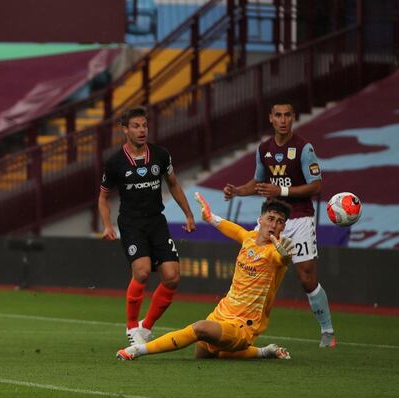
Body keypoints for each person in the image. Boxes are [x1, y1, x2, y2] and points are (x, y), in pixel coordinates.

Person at [117, 193, 292, 361]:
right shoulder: (249, 238)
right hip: (221, 313)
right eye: (270, 219)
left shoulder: (274, 253)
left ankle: (138, 350)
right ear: (260, 220)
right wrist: (208, 216)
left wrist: (286, 255)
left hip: (243, 326)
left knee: (199, 328)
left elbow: (283, 259)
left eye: (280, 222)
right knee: (205, 355)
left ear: (283, 228)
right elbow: (229, 227)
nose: (274, 224)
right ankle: (263, 352)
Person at [223, 102, 336, 348]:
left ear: (293, 118)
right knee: (253, 271)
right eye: (278, 115)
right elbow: (258, 182)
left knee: (306, 278)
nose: (283, 120)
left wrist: (281, 189)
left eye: (287, 115)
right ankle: (239, 324)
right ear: (271, 119)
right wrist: (237, 191)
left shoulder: (304, 148)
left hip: (300, 218)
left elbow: (316, 185)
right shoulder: (264, 149)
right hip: (272, 220)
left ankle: (327, 330)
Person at [98, 106, 196, 346]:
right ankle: (131, 327)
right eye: (136, 126)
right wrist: (107, 225)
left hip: (156, 221)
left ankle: (146, 327)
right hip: (131, 223)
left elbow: (173, 184)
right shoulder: (115, 162)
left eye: (144, 125)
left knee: (172, 277)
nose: (142, 130)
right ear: (125, 130)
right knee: (141, 271)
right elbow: (103, 196)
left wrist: (188, 214)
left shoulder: (161, 155)